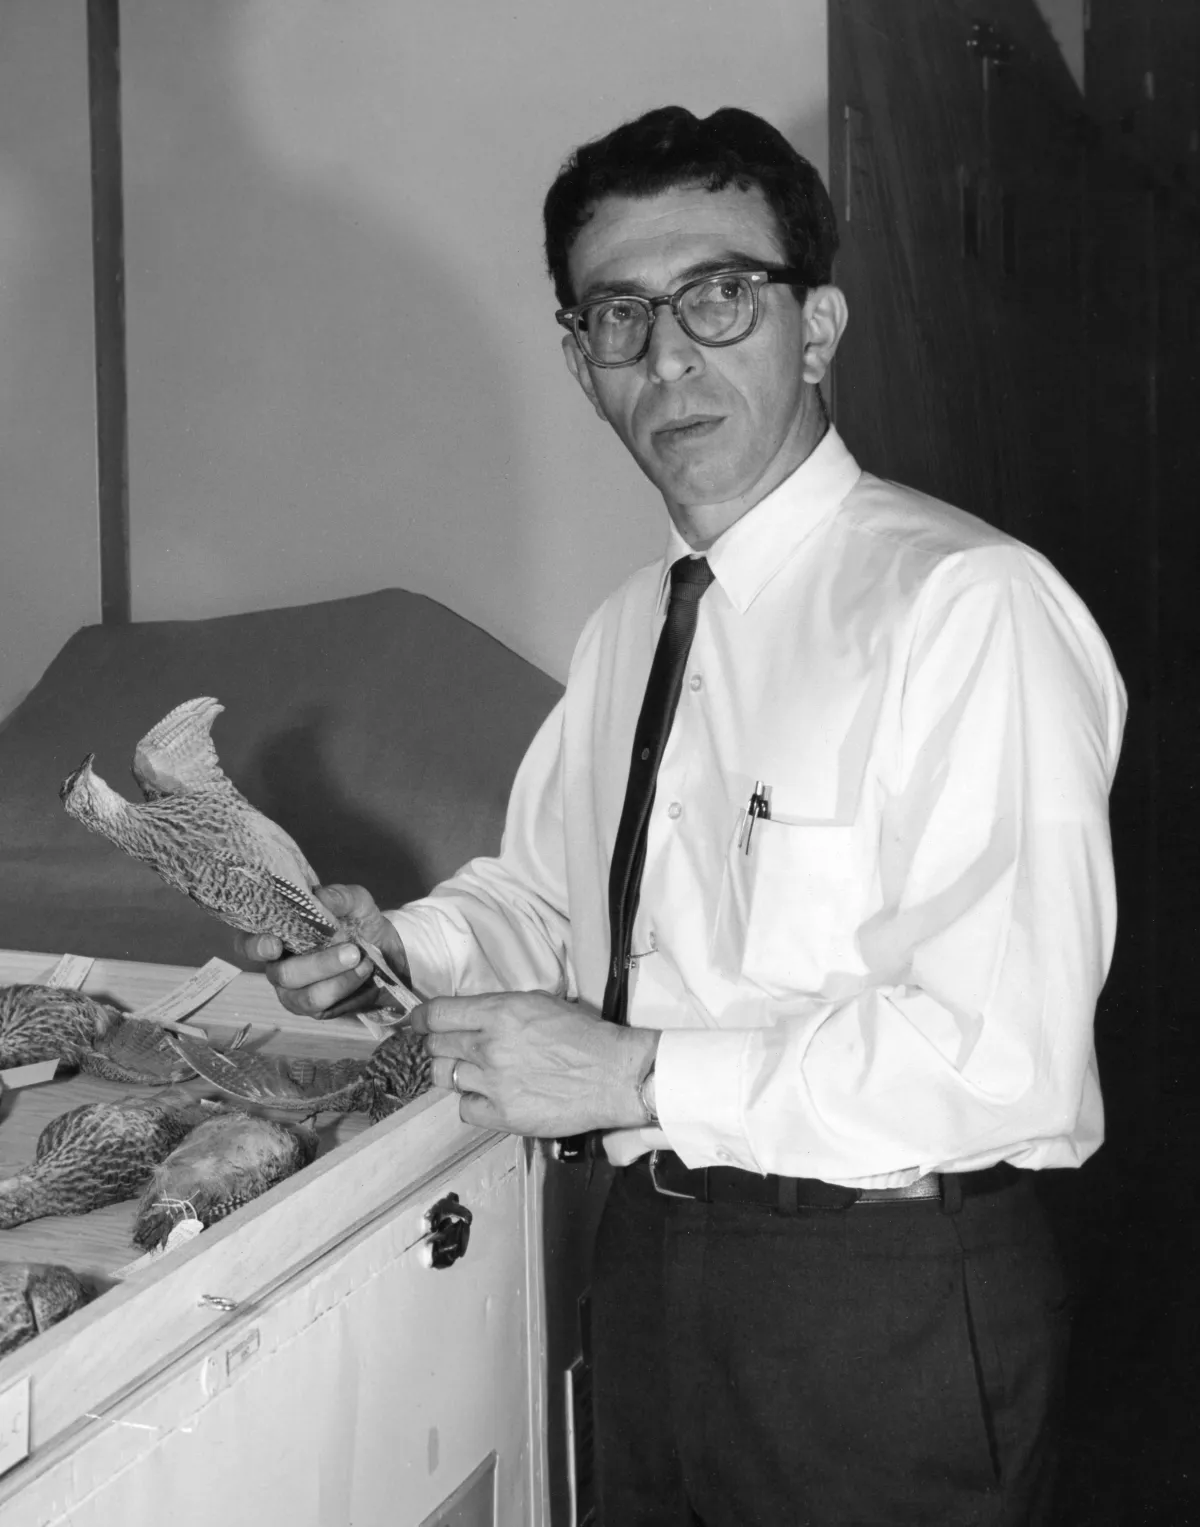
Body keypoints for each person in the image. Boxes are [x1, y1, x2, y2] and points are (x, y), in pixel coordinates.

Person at [240, 106, 1126, 1526]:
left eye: (719, 297)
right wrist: (392, 945)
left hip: (881, 1296)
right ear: (580, 361)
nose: (669, 358)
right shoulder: (628, 630)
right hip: (652, 1266)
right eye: (618, 316)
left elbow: (1006, 1052)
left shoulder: (966, 606)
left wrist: (636, 1080)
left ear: (816, 325)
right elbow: (549, 903)